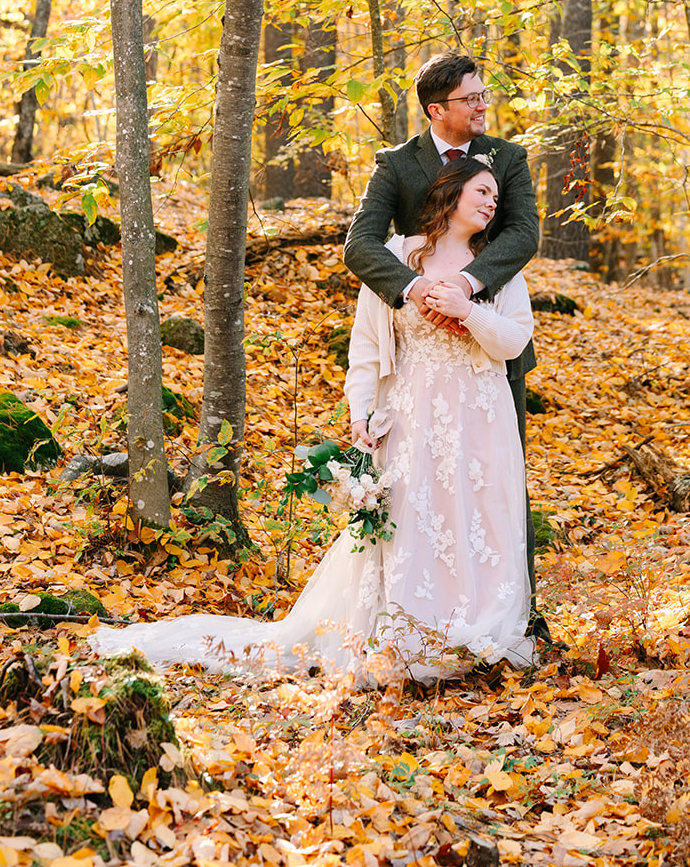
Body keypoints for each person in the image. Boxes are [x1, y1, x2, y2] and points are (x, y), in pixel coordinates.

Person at [91, 157, 534, 680]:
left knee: (478, 518)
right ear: (451, 194)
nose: (491, 203)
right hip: (412, 412)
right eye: (482, 192)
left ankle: (475, 632)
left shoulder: (499, 267)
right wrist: (362, 411)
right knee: (417, 519)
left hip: (482, 417)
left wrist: (469, 310)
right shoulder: (397, 256)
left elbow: (514, 339)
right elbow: (366, 348)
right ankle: (411, 632)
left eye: (495, 197)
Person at [343, 50, 546, 631]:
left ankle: (511, 613)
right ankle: (414, 613)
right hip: (414, 352)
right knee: (417, 491)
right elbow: (361, 245)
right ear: (437, 109)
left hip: (488, 350)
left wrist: (466, 286)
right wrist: (415, 290)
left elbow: (524, 234)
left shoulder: (507, 159)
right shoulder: (397, 164)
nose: (484, 105)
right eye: (471, 98)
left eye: (484, 95)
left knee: (495, 485)